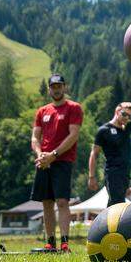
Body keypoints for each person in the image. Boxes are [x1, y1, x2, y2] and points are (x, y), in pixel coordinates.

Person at [31, 74, 83, 252]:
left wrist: (53, 154)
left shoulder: (74, 108)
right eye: (53, 86)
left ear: (65, 87)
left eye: (59, 86)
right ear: (49, 89)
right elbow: (35, 137)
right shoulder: (42, 111)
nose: (56, 89)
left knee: (62, 202)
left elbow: (73, 135)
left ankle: (65, 243)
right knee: (46, 202)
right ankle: (50, 242)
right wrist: (40, 155)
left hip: (62, 161)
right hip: (44, 161)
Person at [89, 102, 131, 206]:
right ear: (117, 112)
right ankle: (110, 222)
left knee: (115, 203)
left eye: (129, 116)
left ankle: (107, 222)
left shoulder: (127, 127)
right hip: (112, 172)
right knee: (117, 203)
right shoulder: (104, 130)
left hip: (125, 173)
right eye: (124, 114)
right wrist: (92, 176)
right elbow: (94, 154)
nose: (127, 118)